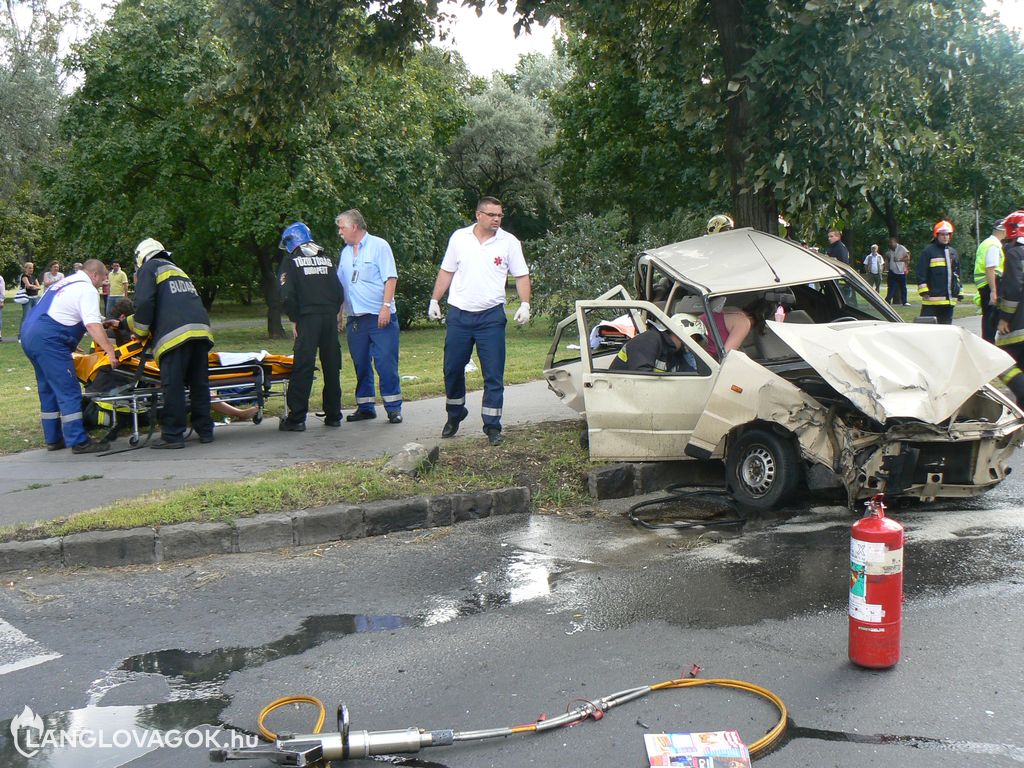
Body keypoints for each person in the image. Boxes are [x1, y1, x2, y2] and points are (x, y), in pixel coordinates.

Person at [429, 196, 531, 446]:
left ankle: (492, 425)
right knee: (452, 368)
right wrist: (435, 299)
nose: (497, 219)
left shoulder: (509, 242)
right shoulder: (459, 238)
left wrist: (526, 303)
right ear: (478, 215)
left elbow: (521, 275)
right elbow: (447, 271)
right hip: (459, 314)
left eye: (500, 215)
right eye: (492, 215)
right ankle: (455, 414)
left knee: (493, 374)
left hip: (491, 317)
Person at [20, 259, 119, 453]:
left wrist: (104, 323)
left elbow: (72, 312)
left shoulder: (64, 283)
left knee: (47, 388)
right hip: (50, 340)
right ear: (94, 275)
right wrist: (109, 350)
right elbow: (91, 324)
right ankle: (78, 440)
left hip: (31, 335)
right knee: (68, 388)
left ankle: (54, 438)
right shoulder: (88, 289)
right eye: (104, 277)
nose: (105, 282)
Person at [127, 238, 215, 448]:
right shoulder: (177, 270)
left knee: (173, 385)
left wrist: (139, 331)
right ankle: (205, 431)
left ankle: (173, 435)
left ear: (141, 257)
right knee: (199, 384)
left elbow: (145, 302)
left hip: (175, 337)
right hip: (201, 332)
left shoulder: (149, 268)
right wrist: (127, 323)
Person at [335, 209, 402, 424]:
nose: (340, 232)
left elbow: (390, 278)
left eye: (342, 227)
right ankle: (365, 406)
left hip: (379, 316)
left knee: (385, 362)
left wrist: (385, 306)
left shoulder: (379, 246)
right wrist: (340, 312)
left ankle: (393, 408)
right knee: (360, 363)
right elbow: (341, 284)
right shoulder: (345, 252)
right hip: (356, 318)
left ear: (354, 227)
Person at [277, 222, 343, 433]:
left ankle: (297, 419)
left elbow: (286, 295)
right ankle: (333, 415)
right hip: (328, 319)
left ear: (292, 241)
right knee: (332, 366)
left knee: (303, 367)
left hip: (307, 319)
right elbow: (339, 291)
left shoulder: (291, 262)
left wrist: (295, 319)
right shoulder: (326, 258)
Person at [608, 314, 703, 373]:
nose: (692, 345)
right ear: (683, 333)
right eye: (693, 339)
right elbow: (642, 379)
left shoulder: (674, 352)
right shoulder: (649, 340)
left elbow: (688, 374)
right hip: (622, 396)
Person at [995, 211, 1024, 405]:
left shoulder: (1014, 253)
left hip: (1019, 324)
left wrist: (1004, 317)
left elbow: (1013, 290)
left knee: (1000, 361)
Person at [917, 220, 961, 325]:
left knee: (946, 329)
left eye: (947, 234)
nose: (945, 237)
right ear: (936, 235)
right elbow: (921, 272)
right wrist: (924, 291)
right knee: (927, 329)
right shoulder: (928, 251)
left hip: (949, 301)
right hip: (932, 300)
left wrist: (959, 292)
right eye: (942, 234)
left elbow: (957, 274)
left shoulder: (953, 253)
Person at [974, 219, 1006, 344]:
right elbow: (990, 268)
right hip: (990, 284)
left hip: (985, 284)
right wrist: (994, 291)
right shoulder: (994, 245)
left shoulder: (986, 242)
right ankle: (989, 345)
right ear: (1003, 230)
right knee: (991, 320)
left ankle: (987, 344)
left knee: (988, 318)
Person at [884, 236, 911, 306]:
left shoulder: (901, 248)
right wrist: (886, 266)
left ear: (895, 242)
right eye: (889, 243)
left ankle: (904, 301)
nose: (890, 244)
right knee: (891, 287)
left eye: (891, 243)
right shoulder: (890, 250)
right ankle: (887, 300)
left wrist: (899, 260)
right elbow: (886, 257)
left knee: (903, 287)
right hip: (892, 271)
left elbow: (908, 257)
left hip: (901, 271)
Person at [18, 261, 41, 336]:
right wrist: (34, 286)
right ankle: (21, 335)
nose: (31, 269)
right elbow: (28, 286)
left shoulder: (34, 277)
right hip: (27, 299)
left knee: (35, 315)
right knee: (26, 316)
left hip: (35, 298)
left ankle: (32, 333)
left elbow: (39, 287)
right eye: (30, 268)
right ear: (26, 269)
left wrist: (33, 286)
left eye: (32, 268)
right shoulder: (24, 276)